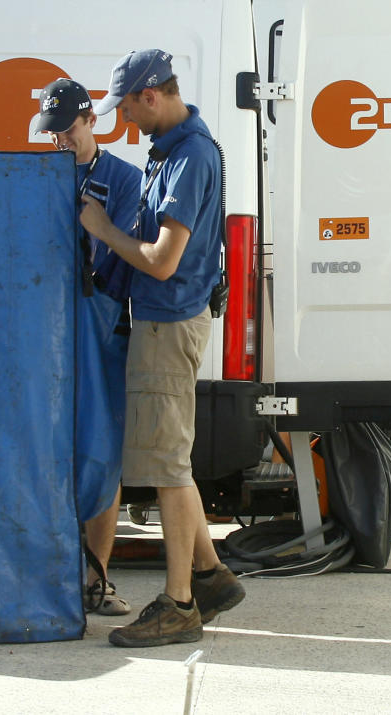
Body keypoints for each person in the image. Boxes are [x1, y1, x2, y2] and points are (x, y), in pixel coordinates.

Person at [79, 49, 246, 647]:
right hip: (168, 320)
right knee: (170, 456)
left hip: (167, 322)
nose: (123, 122)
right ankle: (209, 575)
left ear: (151, 96)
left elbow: (161, 259)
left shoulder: (190, 157)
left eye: (126, 109)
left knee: (168, 469)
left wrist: (102, 231)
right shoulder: (173, 152)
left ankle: (178, 605)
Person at [36, 77, 142, 616]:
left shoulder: (124, 178)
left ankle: (97, 581)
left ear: (92, 121)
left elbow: (124, 254)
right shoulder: (35, 176)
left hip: (100, 328)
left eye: (69, 129)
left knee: (100, 455)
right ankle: (48, 577)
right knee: (42, 450)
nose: (61, 141)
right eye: (52, 133)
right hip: (38, 331)